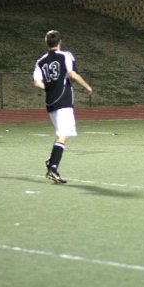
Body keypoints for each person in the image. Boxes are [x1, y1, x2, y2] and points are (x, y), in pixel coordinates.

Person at [33, 29, 93, 184]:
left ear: (47, 42)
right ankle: (53, 168)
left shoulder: (40, 61)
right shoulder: (66, 55)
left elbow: (37, 82)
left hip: (50, 101)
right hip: (64, 100)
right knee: (64, 134)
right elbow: (72, 74)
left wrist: (48, 86)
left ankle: (52, 160)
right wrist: (86, 86)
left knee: (66, 133)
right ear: (60, 41)